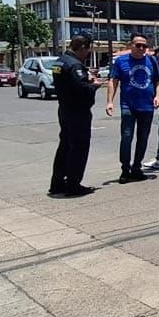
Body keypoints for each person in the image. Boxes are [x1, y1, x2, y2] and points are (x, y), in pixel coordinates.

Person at [49, 34, 102, 197]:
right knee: (78, 147)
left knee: (65, 146)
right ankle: (73, 184)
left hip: (65, 109)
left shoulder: (60, 61)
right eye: (88, 50)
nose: (87, 54)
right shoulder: (75, 65)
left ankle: (57, 183)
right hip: (77, 111)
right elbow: (82, 88)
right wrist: (95, 85)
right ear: (83, 47)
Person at [106, 33, 159, 184]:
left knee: (143, 138)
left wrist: (158, 96)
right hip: (128, 106)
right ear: (131, 45)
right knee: (127, 137)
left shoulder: (151, 60)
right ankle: (125, 169)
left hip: (147, 106)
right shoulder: (121, 61)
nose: (142, 48)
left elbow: (158, 81)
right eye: (138, 45)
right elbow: (113, 81)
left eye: (145, 45)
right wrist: (110, 101)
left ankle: (136, 168)